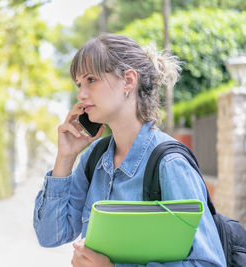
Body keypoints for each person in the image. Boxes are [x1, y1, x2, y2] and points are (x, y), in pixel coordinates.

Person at [33, 33, 225, 267]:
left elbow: (209, 263)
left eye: (91, 80)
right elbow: (50, 236)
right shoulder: (95, 159)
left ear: (129, 81)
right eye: (79, 84)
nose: (81, 95)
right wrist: (65, 157)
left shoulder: (169, 164)